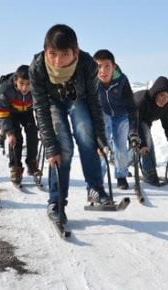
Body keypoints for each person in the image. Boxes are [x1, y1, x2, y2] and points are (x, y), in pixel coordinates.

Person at [30, 24, 111, 224]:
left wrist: (100, 137)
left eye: (64, 54)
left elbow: (94, 102)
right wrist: (50, 146)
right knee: (62, 146)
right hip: (52, 103)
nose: (57, 61)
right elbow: (40, 108)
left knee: (85, 131)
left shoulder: (87, 65)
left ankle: (95, 188)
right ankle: (56, 201)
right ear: (45, 51)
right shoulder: (38, 68)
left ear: (75, 52)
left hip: (78, 99)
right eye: (52, 53)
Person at [93, 49, 138, 190]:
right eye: (99, 66)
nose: (103, 71)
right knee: (102, 146)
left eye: (107, 66)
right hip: (103, 113)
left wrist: (134, 132)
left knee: (120, 146)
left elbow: (132, 107)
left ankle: (121, 176)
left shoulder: (122, 81)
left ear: (114, 66)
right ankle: (98, 179)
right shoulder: (92, 82)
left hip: (121, 114)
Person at [133, 76, 168, 186]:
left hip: (145, 120)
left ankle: (146, 166)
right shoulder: (141, 101)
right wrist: (143, 145)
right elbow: (136, 125)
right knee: (145, 140)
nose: (164, 99)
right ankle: (148, 171)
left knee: (142, 143)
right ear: (155, 93)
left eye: (167, 96)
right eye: (161, 95)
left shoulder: (166, 105)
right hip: (128, 117)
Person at [0, 65, 42, 185]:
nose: (25, 88)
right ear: (15, 80)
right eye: (21, 83)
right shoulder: (6, 89)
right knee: (16, 139)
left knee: (33, 132)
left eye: (28, 84)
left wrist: (43, 128)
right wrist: (9, 132)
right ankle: (15, 168)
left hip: (27, 111)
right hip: (11, 114)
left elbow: (40, 108)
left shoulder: (37, 87)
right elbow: (2, 112)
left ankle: (32, 162)